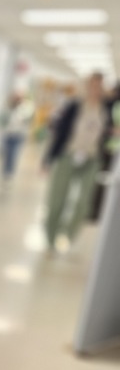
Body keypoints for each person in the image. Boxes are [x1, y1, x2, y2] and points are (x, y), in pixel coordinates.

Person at [41, 71, 109, 250]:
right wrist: (47, 160)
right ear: (87, 87)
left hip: (92, 160)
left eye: (99, 86)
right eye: (92, 85)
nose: (95, 89)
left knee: (83, 204)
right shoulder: (73, 106)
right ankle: (51, 238)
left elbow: (107, 134)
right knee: (57, 200)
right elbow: (60, 133)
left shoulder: (107, 109)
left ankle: (67, 235)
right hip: (68, 156)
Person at [0, 91, 33, 180]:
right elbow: (1, 120)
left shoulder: (25, 108)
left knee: (13, 154)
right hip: (7, 134)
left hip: (18, 135)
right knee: (6, 153)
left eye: (18, 98)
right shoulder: (7, 108)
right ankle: (5, 170)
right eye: (15, 97)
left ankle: (10, 172)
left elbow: (28, 119)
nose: (16, 99)